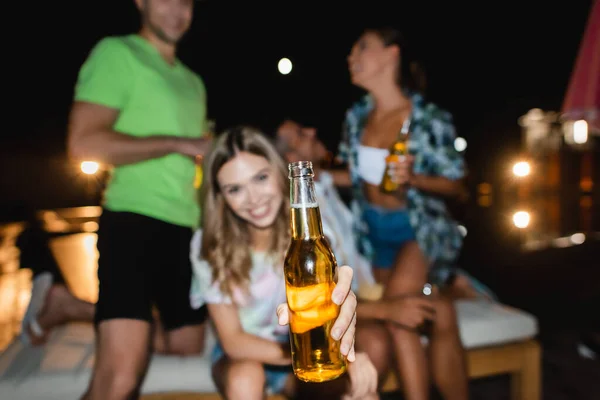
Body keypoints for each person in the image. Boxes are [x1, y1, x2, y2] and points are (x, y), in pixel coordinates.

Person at [66, 0, 212, 398]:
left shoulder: (193, 81)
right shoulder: (117, 53)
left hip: (186, 230)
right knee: (120, 377)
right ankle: (105, 324)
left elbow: (197, 160)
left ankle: (71, 308)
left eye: (187, 2)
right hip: (133, 220)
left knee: (187, 348)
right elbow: (83, 143)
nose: (178, 10)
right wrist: (178, 143)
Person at [190, 126, 379, 400]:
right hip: (246, 354)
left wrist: (343, 315)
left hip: (305, 346)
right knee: (246, 377)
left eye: (261, 178)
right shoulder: (207, 244)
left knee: (362, 396)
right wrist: (309, 353)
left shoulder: (311, 229)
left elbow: (334, 303)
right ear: (220, 196)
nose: (254, 198)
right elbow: (234, 341)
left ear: (281, 173)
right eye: (235, 189)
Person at [333, 27, 470, 400]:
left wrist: (417, 178)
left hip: (419, 231)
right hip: (373, 235)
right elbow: (356, 177)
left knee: (398, 315)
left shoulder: (427, 117)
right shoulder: (356, 117)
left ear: (391, 54)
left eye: (361, 47)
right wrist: (306, 173)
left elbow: (457, 184)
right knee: (436, 311)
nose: (351, 57)